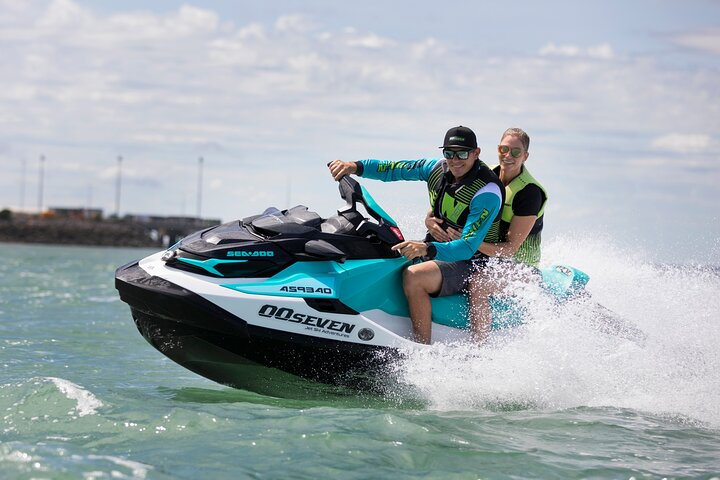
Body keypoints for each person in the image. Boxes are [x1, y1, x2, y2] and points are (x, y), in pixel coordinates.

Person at [328, 126, 504, 344]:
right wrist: (355, 166)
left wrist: (426, 248)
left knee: (414, 276)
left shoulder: (487, 191)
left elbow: (468, 247)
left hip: (473, 262)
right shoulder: (435, 169)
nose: (455, 160)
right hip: (440, 248)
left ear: (476, 153)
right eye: (449, 153)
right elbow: (393, 169)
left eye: (462, 153)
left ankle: (421, 349)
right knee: (384, 252)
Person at [426, 127, 547, 340]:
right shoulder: (483, 176)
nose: (508, 156)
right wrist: (429, 220)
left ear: (525, 156)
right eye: (504, 149)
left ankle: (480, 348)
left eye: (516, 152)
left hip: (520, 266)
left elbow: (510, 250)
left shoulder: (529, 193)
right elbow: (444, 202)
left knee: (478, 285)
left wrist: (469, 241)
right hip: (484, 257)